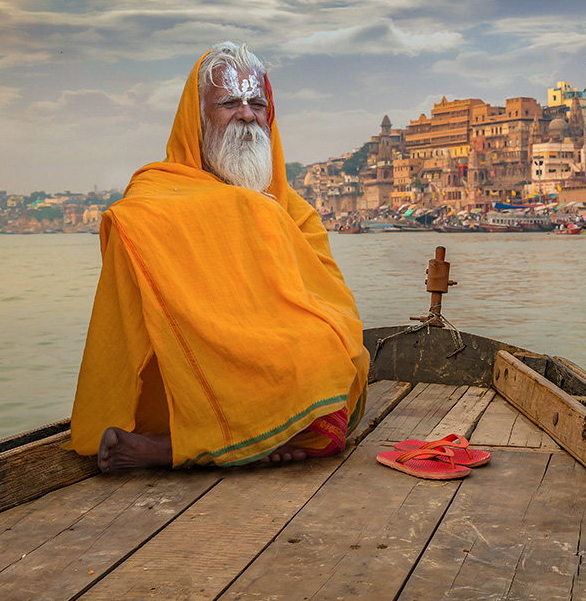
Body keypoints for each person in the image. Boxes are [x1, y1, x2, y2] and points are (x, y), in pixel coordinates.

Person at [68, 42, 369, 471]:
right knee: (305, 396)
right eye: (229, 102)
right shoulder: (155, 194)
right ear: (197, 118)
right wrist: (244, 210)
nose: (246, 114)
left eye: (258, 104)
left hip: (272, 355)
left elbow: (332, 306)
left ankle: (186, 448)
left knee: (335, 363)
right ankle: (233, 441)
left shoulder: (292, 208)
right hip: (198, 361)